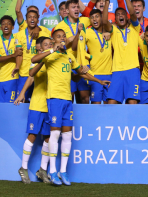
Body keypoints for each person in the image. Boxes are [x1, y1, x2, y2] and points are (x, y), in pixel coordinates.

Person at [31, 29, 110, 186]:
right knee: (55, 134)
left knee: (67, 136)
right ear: (53, 41)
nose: (62, 39)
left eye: (63, 37)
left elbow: (80, 72)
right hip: (54, 99)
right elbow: (34, 59)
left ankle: (63, 171)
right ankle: (52, 170)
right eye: (58, 37)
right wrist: (51, 49)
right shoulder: (50, 54)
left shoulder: (69, 56)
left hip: (68, 100)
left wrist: (98, 81)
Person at [14, 37, 53, 184]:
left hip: (50, 105)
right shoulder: (36, 60)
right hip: (37, 105)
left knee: (49, 138)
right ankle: (23, 168)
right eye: (46, 45)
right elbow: (30, 76)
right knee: (33, 135)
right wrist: (22, 93)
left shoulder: (55, 60)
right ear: (41, 49)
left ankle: (42, 170)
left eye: (51, 44)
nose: (49, 46)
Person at [103, 0, 142, 104]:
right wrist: (107, 1)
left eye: (123, 14)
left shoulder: (135, 28)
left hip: (133, 70)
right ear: (115, 18)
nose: (120, 16)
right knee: (112, 103)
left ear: (126, 17)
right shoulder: (113, 30)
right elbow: (104, 22)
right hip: (117, 71)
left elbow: (132, 12)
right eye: (117, 14)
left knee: (132, 103)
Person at [53, 0, 91, 103]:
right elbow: (57, 47)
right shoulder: (60, 27)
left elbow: (99, 21)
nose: (76, 9)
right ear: (67, 10)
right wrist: (67, 42)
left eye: (77, 7)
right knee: (70, 97)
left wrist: (106, 32)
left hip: (83, 64)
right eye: (73, 7)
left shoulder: (84, 20)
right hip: (69, 65)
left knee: (85, 98)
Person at [16, 10, 51, 102]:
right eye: (30, 17)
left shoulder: (45, 35)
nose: (32, 19)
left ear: (38, 20)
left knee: (41, 102)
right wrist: (17, 67)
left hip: (41, 74)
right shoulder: (19, 35)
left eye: (34, 17)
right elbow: (19, 54)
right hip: (24, 74)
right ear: (26, 20)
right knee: (22, 102)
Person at [83, 3, 113, 104]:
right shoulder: (87, 32)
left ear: (102, 18)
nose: (95, 19)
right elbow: (79, 49)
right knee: (96, 106)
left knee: (109, 106)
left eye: (97, 16)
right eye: (92, 17)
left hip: (109, 74)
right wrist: (85, 61)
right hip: (95, 74)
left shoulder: (110, 31)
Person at [0, 16, 23, 103]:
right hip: (0, 80)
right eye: (3, 24)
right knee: (1, 108)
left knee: (10, 106)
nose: (6, 25)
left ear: (13, 27)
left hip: (12, 78)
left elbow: (19, 54)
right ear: (0, 28)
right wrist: (12, 55)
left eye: (9, 23)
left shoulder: (17, 38)